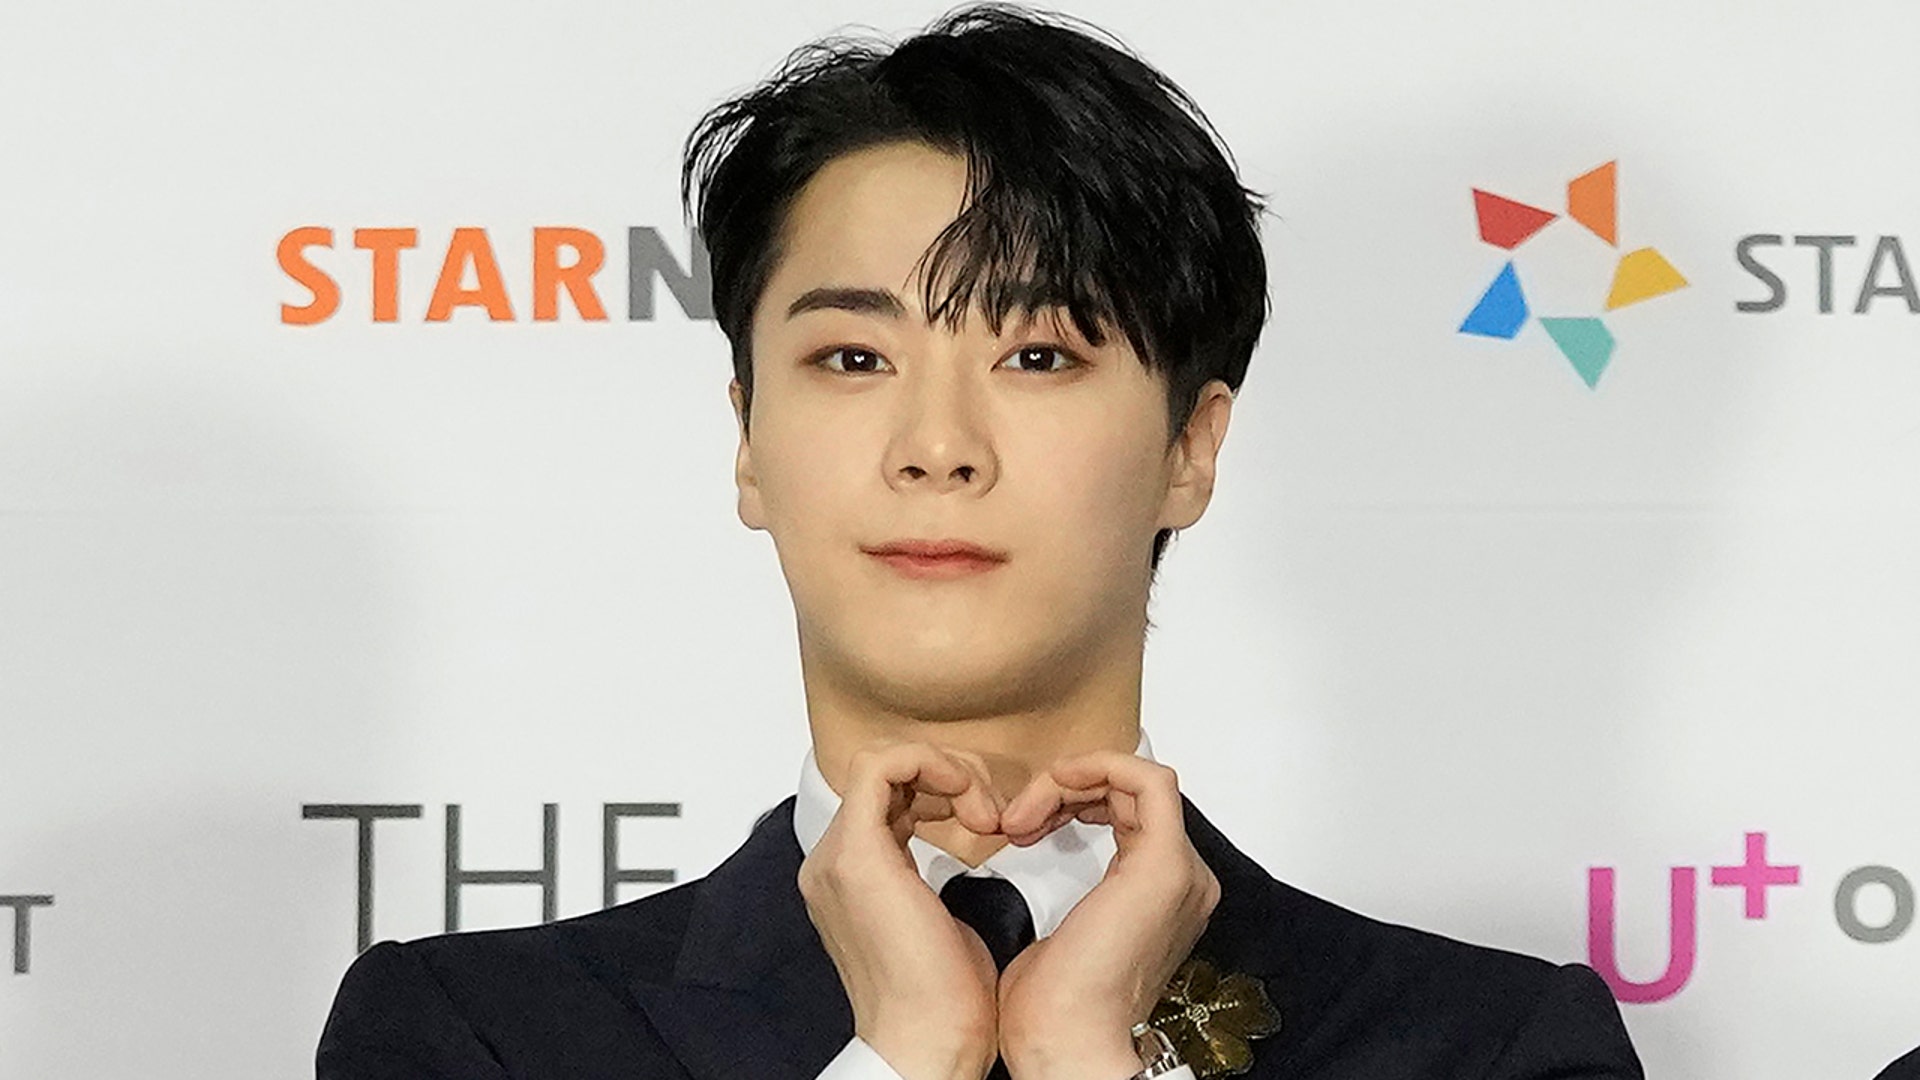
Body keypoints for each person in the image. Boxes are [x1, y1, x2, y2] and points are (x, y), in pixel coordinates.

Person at [316, 6, 1645, 1078]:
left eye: (1037, 354)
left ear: (1192, 447)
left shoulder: (1488, 1048)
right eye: (851, 355)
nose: (936, 444)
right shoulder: (474, 1036)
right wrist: (906, 1056)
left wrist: (1080, 1064)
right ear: (747, 440)